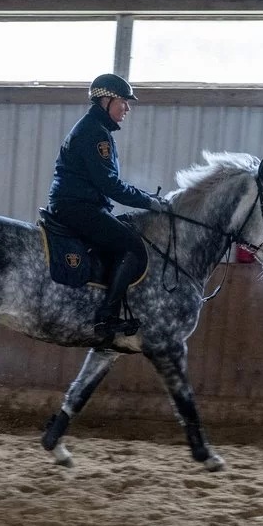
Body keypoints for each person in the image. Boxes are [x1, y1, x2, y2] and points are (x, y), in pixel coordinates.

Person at [47, 73, 166, 335]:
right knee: (134, 248)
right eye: (123, 101)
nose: (127, 108)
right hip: (78, 208)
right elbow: (110, 185)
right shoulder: (95, 134)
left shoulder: (95, 129)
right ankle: (106, 318)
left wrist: (147, 197)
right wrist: (148, 201)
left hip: (77, 205)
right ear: (106, 100)